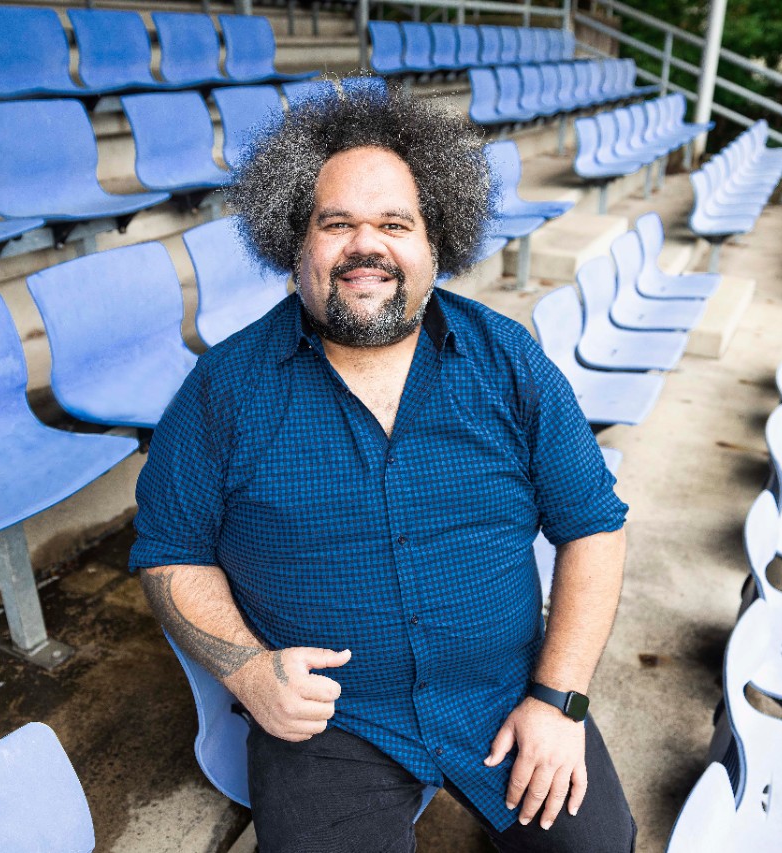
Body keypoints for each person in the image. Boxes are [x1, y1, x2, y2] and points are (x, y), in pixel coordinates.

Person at [130, 85, 635, 853]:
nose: (367, 247)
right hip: (331, 721)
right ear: (295, 244)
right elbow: (170, 552)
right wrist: (248, 672)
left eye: (395, 224)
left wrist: (558, 699)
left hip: (504, 691)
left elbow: (593, 527)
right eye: (337, 224)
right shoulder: (223, 389)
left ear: (436, 243)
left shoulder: (510, 361)